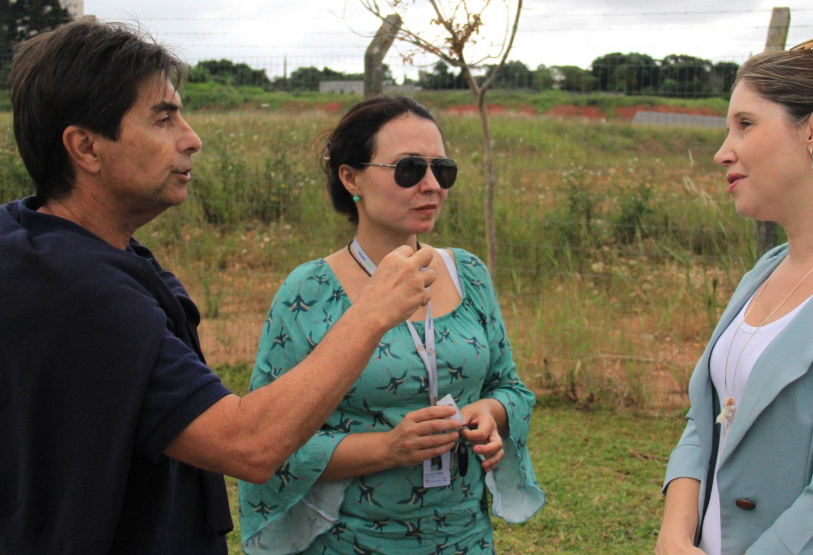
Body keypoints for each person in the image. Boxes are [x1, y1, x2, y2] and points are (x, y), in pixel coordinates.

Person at [0, 21, 436, 554]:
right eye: (163, 118)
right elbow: (249, 445)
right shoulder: (85, 294)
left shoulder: (28, 240)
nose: (192, 139)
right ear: (86, 148)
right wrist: (372, 311)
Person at [238, 96, 545, 554]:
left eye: (442, 169)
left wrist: (489, 414)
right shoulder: (309, 293)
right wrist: (388, 448)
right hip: (350, 543)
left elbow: (511, 388)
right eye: (408, 169)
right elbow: (270, 439)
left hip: (466, 540)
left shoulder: (469, 275)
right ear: (351, 177)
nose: (431, 186)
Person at [656, 37, 813, 555]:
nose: (721, 150)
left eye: (745, 124)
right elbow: (705, 415)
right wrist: (674, 530)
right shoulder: (768, 268)